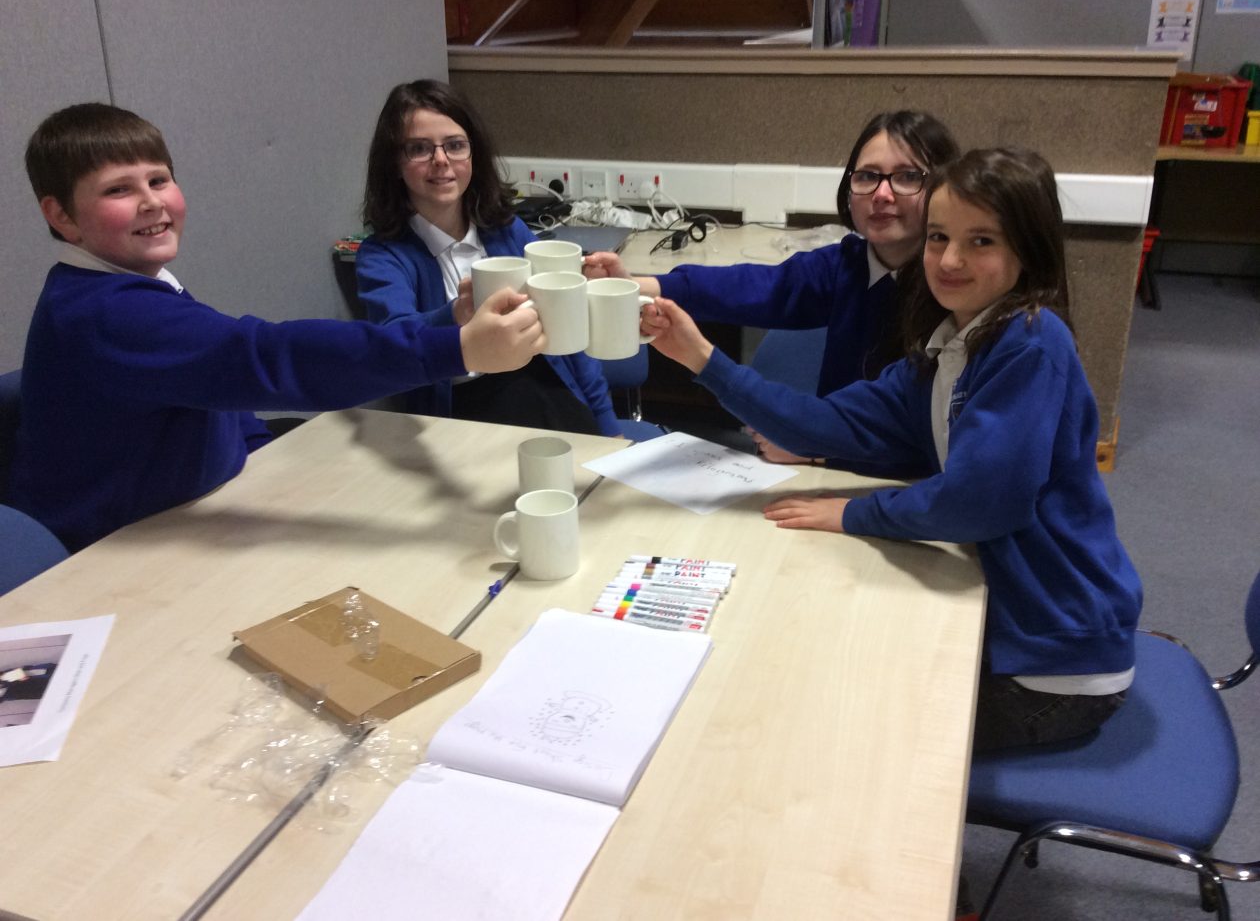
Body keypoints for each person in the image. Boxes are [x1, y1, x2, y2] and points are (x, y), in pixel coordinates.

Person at [644, 147, 1142, 756]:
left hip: (1053, 665)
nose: (950, 260)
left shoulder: (1032, 345)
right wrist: (702, 359)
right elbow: (821, 425)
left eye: (981, 241)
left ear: (1027, 251)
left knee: (829, 721)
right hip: (1015, 623)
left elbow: (979, 504)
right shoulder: (950, 348)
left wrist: (857, 513)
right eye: (939, 237)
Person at [8, 102, 545, 552]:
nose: (151, 202)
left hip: (196, 507)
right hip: (116, 552)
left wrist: (261, 454)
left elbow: (216, 384)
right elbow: (264, 356)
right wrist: (457, 348)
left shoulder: (135, 285)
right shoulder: (106, 313)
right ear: (61, 216)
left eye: (159, 180)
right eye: (118, 191)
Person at [584, 109, 960, 471]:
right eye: (867, 176)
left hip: (904, 486)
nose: (882, 193)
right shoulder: (847, 265)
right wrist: (634, 286)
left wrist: (816, 453)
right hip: (836, 462)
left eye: (907, 177)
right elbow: (752, 287)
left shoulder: (953, 295)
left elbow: (928, 440)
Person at [355, 79, 621, 437]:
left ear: (473, 155)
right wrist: (455, 314)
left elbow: (570, 340)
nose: (440, 160)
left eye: (455, 145)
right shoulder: (383, 255)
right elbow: (394, 347)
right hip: (459, 410)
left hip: (540, 387)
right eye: (419, 148)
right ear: (394, 162)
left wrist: (607, 424)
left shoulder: (506, 231)